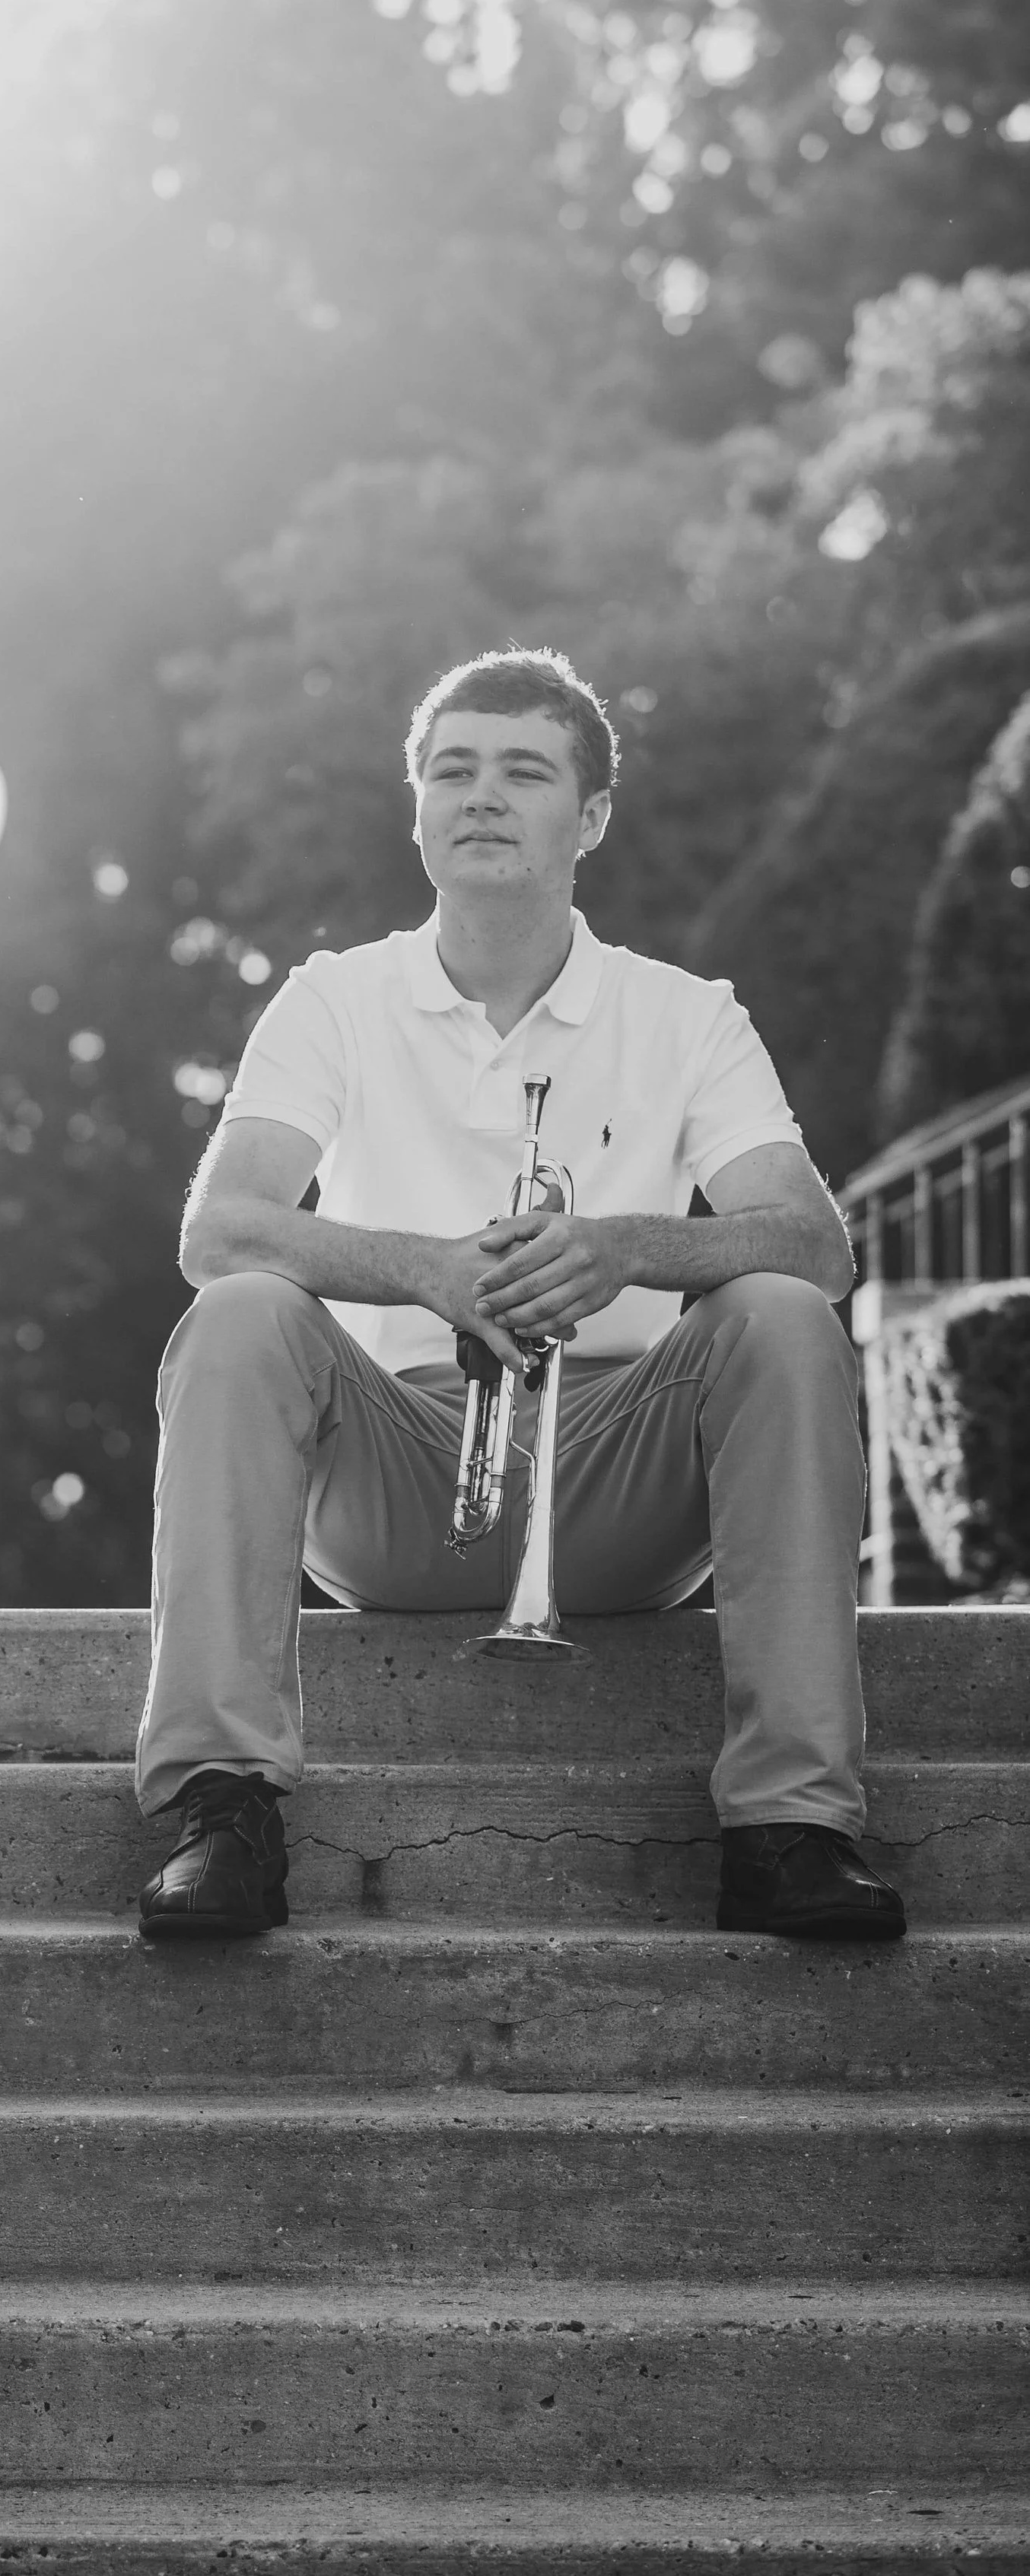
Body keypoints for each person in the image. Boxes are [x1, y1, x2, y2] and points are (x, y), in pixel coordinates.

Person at [136, 645, 904, 1947]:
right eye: (454, 770)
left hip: (616, 1476)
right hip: (398, 1470)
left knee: (781, 1312)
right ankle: (222, 1811)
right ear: (419, 812)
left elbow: (815, 1245)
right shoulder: (334, 999)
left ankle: (791, 1826)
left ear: (590, 818)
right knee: (242, 1312)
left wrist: (625, 1249)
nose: (483, 794)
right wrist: (427, 1271)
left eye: (524, 772)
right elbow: (222, 1229)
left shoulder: (687, 1016)